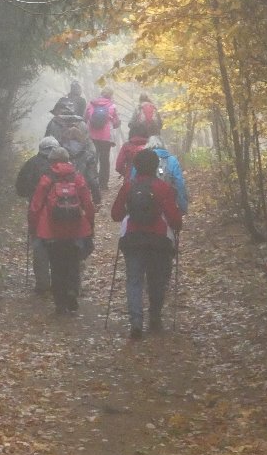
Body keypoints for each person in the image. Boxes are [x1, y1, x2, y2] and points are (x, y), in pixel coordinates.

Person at [111, 148, 183, 339]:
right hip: (159, 240)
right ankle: (155, 317)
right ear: (156, 166)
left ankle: (136, 321)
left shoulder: (128, 187)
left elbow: (115, 214)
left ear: (135, 166)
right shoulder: (163, 188)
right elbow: (175, 220)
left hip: (133, 239)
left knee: (134, 279)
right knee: (157, 280)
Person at [29, 147, 95, 315]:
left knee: (56, 265)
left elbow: (35, 206)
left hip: (52, 230)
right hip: (75, 228)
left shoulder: (47, 179)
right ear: (67, 160)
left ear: (52, 161)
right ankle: (72, 290)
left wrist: (33, 227)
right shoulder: (77, 177)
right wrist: (90, 225)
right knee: (73, 262)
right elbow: (88, 203)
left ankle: (60, 303)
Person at [15, 135, 60, 294]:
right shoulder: (63, 166)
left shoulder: (31, 164)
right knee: (58, 248)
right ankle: (59, 283)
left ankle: (42, 284)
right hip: (61, 214)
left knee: (40, 247)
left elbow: (20, 188)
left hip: (37, 211)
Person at [130, 135, 189, 214]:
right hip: (167, 202)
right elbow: (179, 184)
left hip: (144, 204)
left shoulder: (140, 159)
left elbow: (133, 181)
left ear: (147, 145)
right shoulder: (172, 160)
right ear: (163, 145)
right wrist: (182, 206)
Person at [85, 86, 121, 192]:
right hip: (106, 138)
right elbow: (116, 122)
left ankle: (92, 183)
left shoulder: (91, 104)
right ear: (110, 95)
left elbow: (85, 118)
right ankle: (103, 185)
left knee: (93, 160)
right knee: (104, 161)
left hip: (92, 137)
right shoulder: (112, 106)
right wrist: (113, 124)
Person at [64, 125, 101, 206]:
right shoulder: (85, 146)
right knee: (93, 182)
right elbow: (91, 159)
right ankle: (97, 202)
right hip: (84, 174)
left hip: (70, 175)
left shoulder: (64, 147)